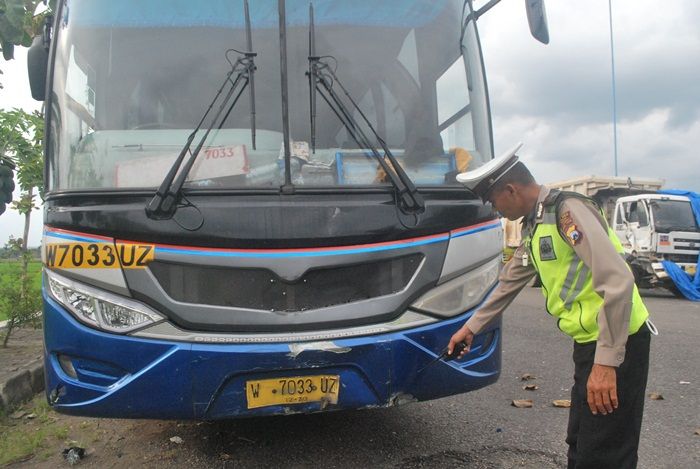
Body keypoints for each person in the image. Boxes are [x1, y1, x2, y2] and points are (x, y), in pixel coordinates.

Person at [448, 145, 653, 469]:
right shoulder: (535, 226)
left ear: (511, 190)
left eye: (493, 200)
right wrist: (470, 328)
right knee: (580, 443)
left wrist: (606, 364)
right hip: (590, 344)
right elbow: (508, 284)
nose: (495, 210)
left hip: (618, 343)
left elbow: (618, 282)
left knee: (605, 452)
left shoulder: (568, 212)